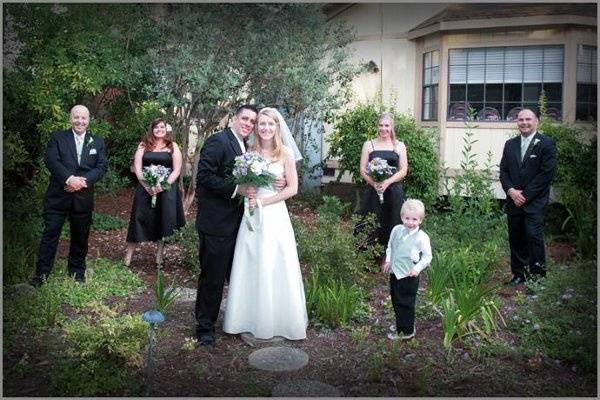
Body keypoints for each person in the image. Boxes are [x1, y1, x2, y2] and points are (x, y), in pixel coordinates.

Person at [223, 107, 308, 341]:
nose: (266, 128)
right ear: (256, 127)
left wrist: (264, 202)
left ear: (277, 127)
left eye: (270, 124)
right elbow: (241, 183)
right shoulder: (248, 151)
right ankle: (247, 319)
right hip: (250, 215)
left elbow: (292, 188)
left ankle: (277, 321)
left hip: (274, 215)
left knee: (275, 263)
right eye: (262, 124)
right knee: (251, 261)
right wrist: (247, 194)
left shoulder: (286, 154)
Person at [194, 104, 262, 346]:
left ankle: (236, 321)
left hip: (237, 222)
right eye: (245, 118)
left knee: (236, 275)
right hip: (216, 223)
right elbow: (204, 176)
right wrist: (237, 189)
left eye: (252, 121)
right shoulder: (218, 141)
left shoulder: (245, 147)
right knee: (212, 277)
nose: (248, 124)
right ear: (235, 118)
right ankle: (204, 328)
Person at [30, 105, 108, 287]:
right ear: (70, 118)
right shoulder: (57, 138)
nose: (80, 121)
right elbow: (51, 160)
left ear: (89, 120)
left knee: (80, 236)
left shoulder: (97, 142)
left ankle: (77, 273)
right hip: (58, 197)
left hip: (83, 198)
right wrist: (69, 179)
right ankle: (41, 276)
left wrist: (81, 182)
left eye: (83, 118)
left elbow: (102, 167)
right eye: (76, 117)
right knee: (50, 235)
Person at [499, 109, 556, 286]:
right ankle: (519, 275)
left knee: (533, 237)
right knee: (516, 238)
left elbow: (546, 174)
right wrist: (511, 191)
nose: (524, 123)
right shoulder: (510, 144)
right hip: (513, 200)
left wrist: (524, 195)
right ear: (517, 122)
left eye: (528, 119)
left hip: (534, 202)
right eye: (521, 119)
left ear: (536, 121)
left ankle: (538, 278)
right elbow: (504, 171)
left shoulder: (546, 143)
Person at [124, 118, 185, 266]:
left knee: (163, 220)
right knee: (138, 218)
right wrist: (147, 185)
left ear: (166, 129)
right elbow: (138, 168)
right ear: (152, 129)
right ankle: (128, 256)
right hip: (145, 190)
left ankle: (159, 256)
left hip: (166, 191)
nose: (159, 130)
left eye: (162, 127)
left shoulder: (172, 146)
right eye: (156, 127)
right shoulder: (143, 145)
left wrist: (163, 185)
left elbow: (177, 170)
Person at [358, 113, 408, 257]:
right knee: (373, 221)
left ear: (392, 127)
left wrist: (387, 182)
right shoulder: (369, 145)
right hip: (374, 191)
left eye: (387, 125)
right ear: (377, 126)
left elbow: (403, 170)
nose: (383, 129)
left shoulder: (399, 146)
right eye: (381, 125)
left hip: (393, 191)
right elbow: (362, 169)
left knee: (393, 221)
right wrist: (374, 183)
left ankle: (391, 257)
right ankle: (370, 257)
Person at [382, 199, 432, 340]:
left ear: (420, 220)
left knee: (406, 302)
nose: (410, 222)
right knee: (396, 299)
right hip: (395, 273)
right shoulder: (396, 230)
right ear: (401, 217)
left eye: (414, 219)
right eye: (407, 218)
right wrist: (388, 260)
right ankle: (401, 324)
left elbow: (427, 257)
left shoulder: (421, 238)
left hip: (409, 275)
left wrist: (417, 269)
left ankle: (407, 331)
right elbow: (390, 246)